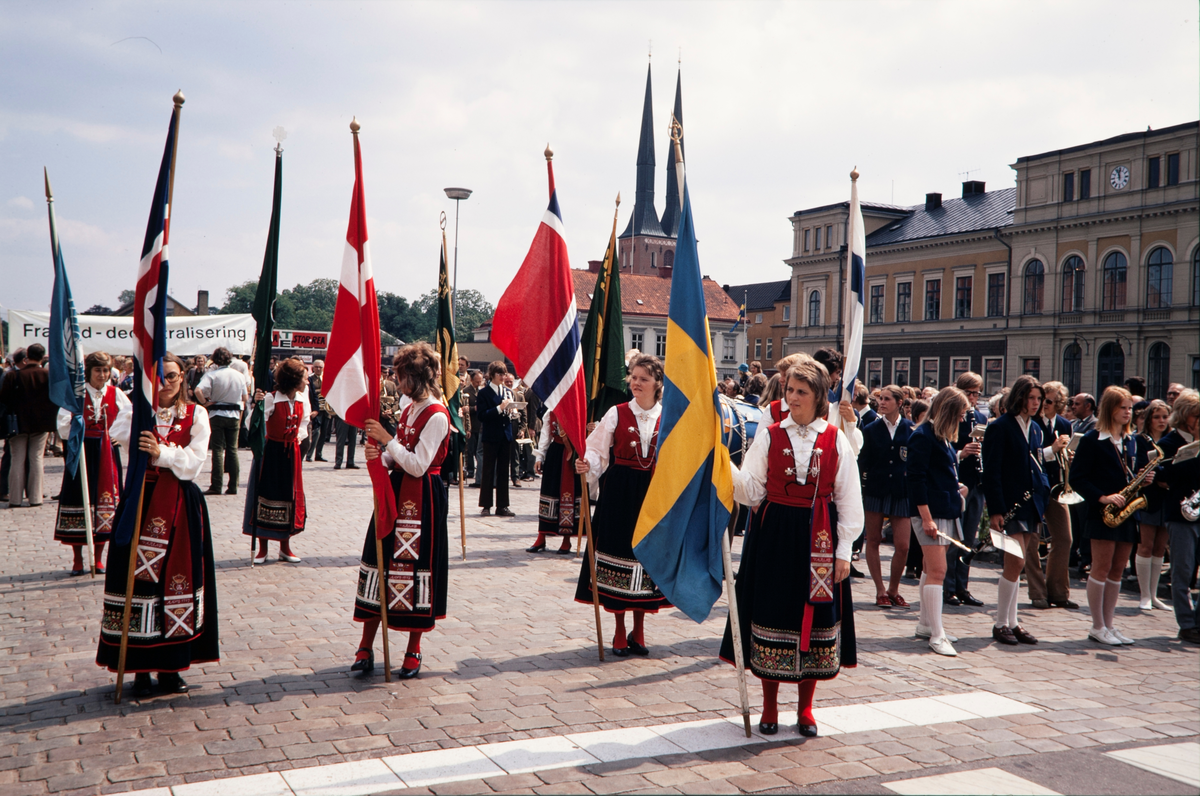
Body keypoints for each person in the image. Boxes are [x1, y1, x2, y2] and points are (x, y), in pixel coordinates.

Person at [719, 359, 862, 736]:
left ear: (819, 398)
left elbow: (849, 499)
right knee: (773, 613)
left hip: (820, 538)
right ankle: (769, 707)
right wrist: (721, 462)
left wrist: (844, 551)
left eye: (801, 392)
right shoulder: (769, 435)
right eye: (789, 390)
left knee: (814, 618)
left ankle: (806, 709)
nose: (793, 398)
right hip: (774, 535)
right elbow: (751, 491)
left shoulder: (836, 439)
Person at [96, 353, 218, 696]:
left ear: (183, 379)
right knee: (134, 580)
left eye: (172, 377)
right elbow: (117, 433)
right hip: (140, 501)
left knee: (172, 582)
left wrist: (162, 453)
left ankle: (171, 666)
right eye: (158, 377)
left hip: (178, 503)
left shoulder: (197, 415)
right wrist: (140, 412)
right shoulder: (138, 411)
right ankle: (137, 665)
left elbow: (193, 464)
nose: (165, 383)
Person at [352, 342, 450, 678]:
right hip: (396, 494)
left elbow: (420, 465)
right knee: (378, 562)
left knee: (415, 569)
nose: (397, 380)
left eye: (402, 375)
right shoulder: (409, 409)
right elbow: (398, 457)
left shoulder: (437, 415)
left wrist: (387, 438)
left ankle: (413, 648)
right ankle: (365, 644)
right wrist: (380, 455)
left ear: (417, 377)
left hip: (423, 498)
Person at [574, 354, 668, 657]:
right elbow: (598, 452)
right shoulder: (616, 413)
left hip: (652, 497)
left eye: (643, 378)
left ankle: (638, 631)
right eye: (633, 377)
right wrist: (585, 465)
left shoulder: (667, 416)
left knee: (644, 561)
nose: (636, 383)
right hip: (619, 494)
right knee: (617, 559)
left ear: (657, 383)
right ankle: (617, 630)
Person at [1069, 386, 1152, 646]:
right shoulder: (1092, 440)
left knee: (1117, 570)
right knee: (1101, 568)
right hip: (1102, 512)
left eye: (1130, 408)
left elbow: (1130, 473)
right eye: (1123, 408)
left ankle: (1110, 624)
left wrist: (1144, 479)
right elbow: (1077, 478)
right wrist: (1103, 497)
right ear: (1110, 409)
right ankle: (1097, 625)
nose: (1128, 413)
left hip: (1126, 512)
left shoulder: (1132, 441)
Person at [982, 375, 1051, 647]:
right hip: (1008, 505)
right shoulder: (1000, 427)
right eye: (1031, 398)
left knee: (1020, 563)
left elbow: (1036, 467)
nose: (1035, 404)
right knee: (1014, 562)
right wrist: (996, 509)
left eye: (1039, 399)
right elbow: (992, 471)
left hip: (1029, 504)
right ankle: (1001, 623)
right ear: (1019, 397)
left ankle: (1013, 621)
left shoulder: (1035, 429)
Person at [908, 387, 972, 656]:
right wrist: (926, 518)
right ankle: (937, 633)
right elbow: (915, 480)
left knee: (929, 569)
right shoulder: (923, 436)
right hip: (931, 513)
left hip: (942, 509)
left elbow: (934, 473)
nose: (962, 420)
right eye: (960, 414)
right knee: (937, 571)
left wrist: (955, 487)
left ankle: (927, 624)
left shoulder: (937, 436)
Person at [54, 351, 131, 575]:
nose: (102, 374)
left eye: (106, 370)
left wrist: (119, 435)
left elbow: (129, 418)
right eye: (98, 370)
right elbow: (63, 425)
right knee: (78, 500)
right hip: (82, 452)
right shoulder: (76, 395)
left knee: (106, 500)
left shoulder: (116, 393)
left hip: (107, 453)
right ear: (88, 372)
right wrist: (80, 430)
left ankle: (98, 558)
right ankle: (78, 559)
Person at [246, 358, 309, 564]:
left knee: (289, 497)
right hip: (270, 453)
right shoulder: (271, 399)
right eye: (304, 379)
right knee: (266, 496)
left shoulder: (302, 399)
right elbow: (253, 424)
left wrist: (298, 437)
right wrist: (257, 405)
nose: (307, 383)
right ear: (293, 380)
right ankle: (263, 549)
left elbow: (304, 424)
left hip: (291, 453)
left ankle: (285, 547)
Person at [859, 385, 914, 610]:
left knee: (903, 545)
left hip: (901, 492)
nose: (881, 402)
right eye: (880, 399)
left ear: (899, 403)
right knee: (873, 540)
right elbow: (863, 462)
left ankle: (894, 589)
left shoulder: (911, 429)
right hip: (876, 490)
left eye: (887, 399)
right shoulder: (870, 429)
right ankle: (880, 590)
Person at [1028, 381, 1076, 610]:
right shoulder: (1032, 422)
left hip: (1057, 486)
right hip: (1035, 486)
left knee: (1065, 538)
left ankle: (1058, 591)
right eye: (1044, 400)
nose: (1045, 405)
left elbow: (1062, 453)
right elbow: (1031, 456)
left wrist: (1068, 455)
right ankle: (1037, 592)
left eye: (1051, 402)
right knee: (1032, 541)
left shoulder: (1065, 423)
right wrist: (1052, 450)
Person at [1156, 390, 1199, 643]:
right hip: (1181, 514)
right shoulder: (1169, 444)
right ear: (1184, 417)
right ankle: (1186, 623)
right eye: (1197, 415)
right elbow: (1166, 477)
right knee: (1182, 571)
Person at [944, 372, 984, 608]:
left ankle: (962, 586)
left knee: (969, 540)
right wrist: (962, 453)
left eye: (976, 393)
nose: (973, 397)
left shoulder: (979, 417)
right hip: (958, 484)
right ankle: (948, 588)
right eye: (969, 392)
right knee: (954, 540)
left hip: (976, 484)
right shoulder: (951, 416)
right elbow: (945, 453)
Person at [1, 343, 56, 507]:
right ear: (42, 357)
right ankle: (36, 497)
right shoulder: (47, 375)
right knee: (37, 459)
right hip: (41, 424)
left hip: (17, 424)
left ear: (26, 358)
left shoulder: (14, 376)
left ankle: (15, 499)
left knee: (17, 459)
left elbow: (3, 399)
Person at [1135, 399, 1172, 611]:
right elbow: (1139, 466)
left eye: (1164, 417)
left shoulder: (1171, 440)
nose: (1161, 421)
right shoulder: (1140, 441)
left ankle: (1155, 594)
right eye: (1156, 417)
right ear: (1149, 419)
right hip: (1148, 497)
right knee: (1146, 545)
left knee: (1160, 548)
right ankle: (1144, 595)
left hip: (1167, 496)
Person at [194, 347, 247, 496]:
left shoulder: (212, 375)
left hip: (217, 412)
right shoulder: (239, 375)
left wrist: (204, 402)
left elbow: (198, 390)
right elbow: (245, 398)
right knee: (233, 450)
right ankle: (233, 486)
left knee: (218, 450)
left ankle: (216, 485)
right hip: (234, 413)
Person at [529, 410, 581, 554]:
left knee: (571, 497)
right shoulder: (551, 411)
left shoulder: (578, 407)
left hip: (574, 454)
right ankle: (541, 536)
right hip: (555, 454)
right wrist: (540, 457)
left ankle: (566, 539)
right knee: (549, 494)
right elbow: (545, 434)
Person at [476, 361, 515, 517]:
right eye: (500, 374)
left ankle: (502, 505)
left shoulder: (507, 392)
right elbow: (482, 415)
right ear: (492, 375)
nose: (503, 377)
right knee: (488, 470)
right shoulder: (484, 393)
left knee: (504, 471)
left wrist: (512, 411)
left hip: (505, 434)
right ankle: (486, 505)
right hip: (491, 435)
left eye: (504, 373)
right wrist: (500, 408)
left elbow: (509, 413)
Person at [305, 360, 327, 462]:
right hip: (316, 408)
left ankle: (319, 454)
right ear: (313, 368)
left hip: (326, 409)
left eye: (320, 367)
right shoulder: (310, 379)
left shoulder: (326, 378)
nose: (318, 369)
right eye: (316, 367)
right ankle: (309, 454)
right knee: (316, 432)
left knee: (324, 433)